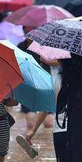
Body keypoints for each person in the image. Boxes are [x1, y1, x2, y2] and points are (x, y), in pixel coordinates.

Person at [16, 25, 54, 153]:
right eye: (26, 29)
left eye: (31, 29)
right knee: (31, 122)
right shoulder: (20, 47)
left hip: (44, 83)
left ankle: (46, 147)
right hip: (28, 86)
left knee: (49, 123)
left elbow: (52, 62)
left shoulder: (43, 46)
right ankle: (30, 144)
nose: (29, 32)